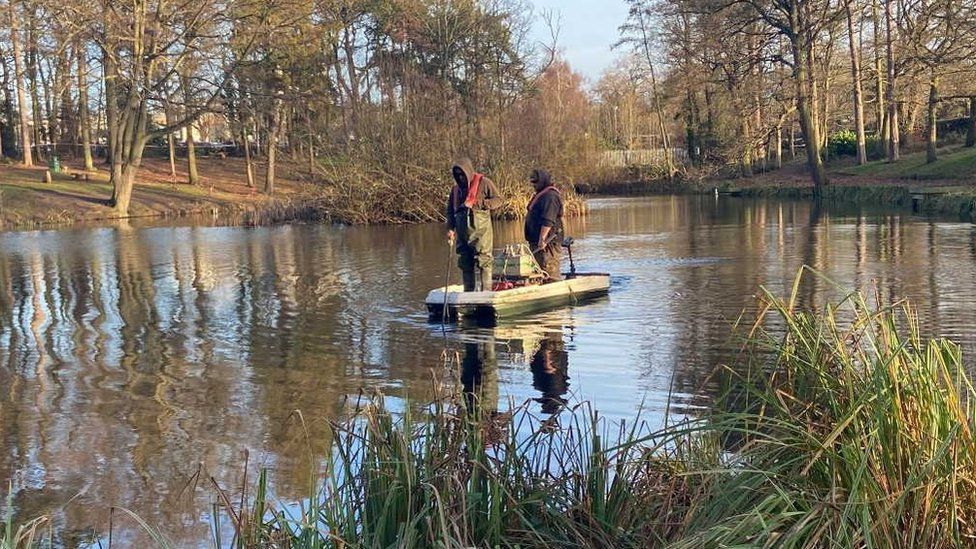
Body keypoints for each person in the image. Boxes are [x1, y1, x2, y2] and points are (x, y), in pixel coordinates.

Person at [446, 158, 503, 292]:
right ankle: (468, 293)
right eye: (458, 175)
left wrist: (479, 204)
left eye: (463, 174)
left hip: (482, 232)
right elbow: (450, 212)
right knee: (465, 262)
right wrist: (450, 229)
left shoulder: (484, 182)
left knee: (484, 261)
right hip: (462, 233)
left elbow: (499, 200)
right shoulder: (455, 190)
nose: (461, 178)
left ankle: (486, 293)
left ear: (469, 172)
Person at [524, 168, 563, 281]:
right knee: (538, 272)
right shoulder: (541, 195)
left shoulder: (550, 196)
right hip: (536, 243)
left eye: (536, 182)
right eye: (532, 182)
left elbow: (548, 220)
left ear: (543, 181)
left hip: (548, 244)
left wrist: (542, 239)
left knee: (549, 271)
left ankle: (554, 292)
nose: (533, 185)